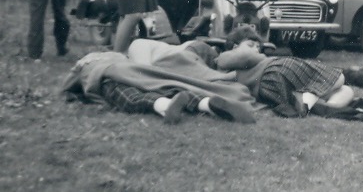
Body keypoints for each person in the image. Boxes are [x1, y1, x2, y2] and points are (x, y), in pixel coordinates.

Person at [62, 51, 256, 124]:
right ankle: (206, 104)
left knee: (132, 98)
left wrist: (72, 96)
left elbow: (67, 87)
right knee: (157, 88)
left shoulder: (84, 64)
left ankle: (163, 107)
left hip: (108, 78)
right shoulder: (119, 55)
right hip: (136, 73)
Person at [215, 25, 355, 117]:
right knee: (339, 77)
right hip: (277, 70)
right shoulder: (229, 56)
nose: (256, 49)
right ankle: (309, 98)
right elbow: (233, 58)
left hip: (272, 88)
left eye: (258, 47)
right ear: (234, 46)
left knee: (346, 91)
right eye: (251, 45)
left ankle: (317, 104)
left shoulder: (234, 70)